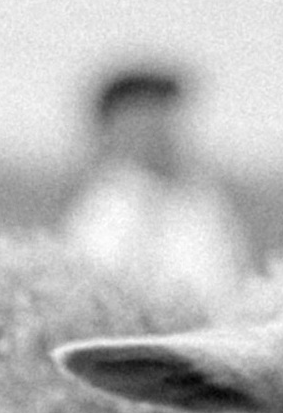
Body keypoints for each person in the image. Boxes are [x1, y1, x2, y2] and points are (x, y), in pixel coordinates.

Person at [59, 56, 254, 315]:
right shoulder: (103, 209)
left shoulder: (202, 202)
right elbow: (97, 298)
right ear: (111, 129)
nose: (158, 130)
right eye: (142, 118)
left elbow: (232, 284)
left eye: (164, 116)